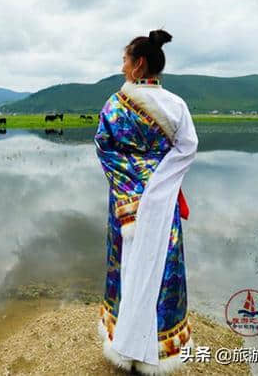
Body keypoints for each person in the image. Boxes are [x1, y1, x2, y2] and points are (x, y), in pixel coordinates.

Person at [94, 29, 199, 375]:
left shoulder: (114, 105)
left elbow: (105, 148)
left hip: (126, 204)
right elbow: (187, 148)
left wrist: (135, 186)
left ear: (139, 64)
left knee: (126, 262)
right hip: (162, 200)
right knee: (162, 265)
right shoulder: (177, 105)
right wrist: (161, 180)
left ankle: (123, 343)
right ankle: (162, 347)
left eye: (125, 59)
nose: (122, 66)